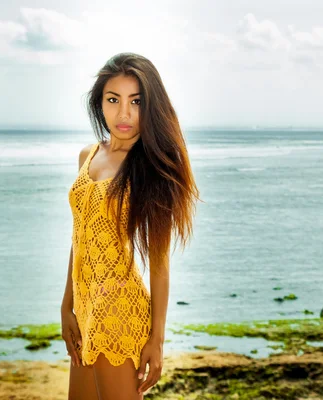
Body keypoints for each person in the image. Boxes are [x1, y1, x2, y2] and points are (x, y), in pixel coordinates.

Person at [60, 52, 200, 399]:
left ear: (150, 107)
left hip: (119, 311)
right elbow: (80, 236)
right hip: (86, 310)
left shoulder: (150, 168)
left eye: (135, 102)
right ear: (100, 104)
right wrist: (67, 306)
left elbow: (160, 264)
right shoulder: (87, 156)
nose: (124, 113)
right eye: (113, 100)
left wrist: (157, 338)